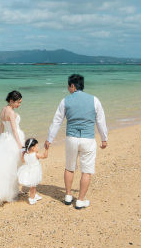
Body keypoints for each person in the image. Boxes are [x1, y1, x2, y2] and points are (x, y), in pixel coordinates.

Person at [46, 74, 108, 209]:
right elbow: (100, 121)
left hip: (71, 139)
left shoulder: (65, 101)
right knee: (86, 170)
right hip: (88, 139)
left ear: (72, 86)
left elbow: (57, 122)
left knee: (69, 167)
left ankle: (68, 196)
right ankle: (80, 200)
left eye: (68, 86)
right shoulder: (94, 100)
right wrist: (104, 139)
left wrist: (49, 139)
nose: (68, 89)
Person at [18, 137, 49, 204]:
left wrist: (23, 154)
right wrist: (46, 149)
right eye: (37, 146)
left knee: (32, 185)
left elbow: (23, 161)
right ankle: (31, 198)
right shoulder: (35, 154)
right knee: (33, 187)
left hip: (28, 171)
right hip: (34, 172)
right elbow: (45, 156)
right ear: (33, 148)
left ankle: (34, 195)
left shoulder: (25, 154)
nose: (38, 148)